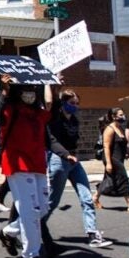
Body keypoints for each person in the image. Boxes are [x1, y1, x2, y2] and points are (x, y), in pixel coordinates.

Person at [0, 75, 53, 258]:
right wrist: (5, 90)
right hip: (17, 163)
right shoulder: (11, 109)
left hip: (37, 164)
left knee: (43, 207)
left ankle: (8, 232)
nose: (30, 94)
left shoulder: (38, 112)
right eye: (25, 90)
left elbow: (50, 104)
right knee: (30, 210)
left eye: (33, 91)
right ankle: (31, 254)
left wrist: (48, 82)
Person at [45, 89, 111, 248]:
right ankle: (32, 226)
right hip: (59, 160)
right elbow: (50, 102)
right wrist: (53, 83)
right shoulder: (55, 117)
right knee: (52, 201)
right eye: (71, 103)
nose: (75, 106)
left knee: (86, 197)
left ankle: (92, 234)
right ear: (63, 103)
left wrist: (72, 156)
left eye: (76, 103)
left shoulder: (74, 120)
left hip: (74, 160)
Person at [92, 107, 129, 213]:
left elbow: (126, 147)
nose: (123, 117)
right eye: (120, 115)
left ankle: (95, 198)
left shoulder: (120, 128)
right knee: (123, 178)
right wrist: (109, 163)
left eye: (123, 114)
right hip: (112, 158)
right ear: (113, 116)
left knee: (107, 179)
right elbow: (106, 146)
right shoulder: (109, 129)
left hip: (119, 158)